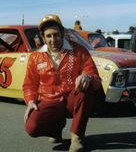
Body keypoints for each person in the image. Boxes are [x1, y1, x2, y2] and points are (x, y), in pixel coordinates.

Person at [23, 14, 101, 152]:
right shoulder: (35, 57)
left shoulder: (79, 50)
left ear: (62, 33)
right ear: (43, 37)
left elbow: (95, 77)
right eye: (49, 36)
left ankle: (77, 137)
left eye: (56, 35)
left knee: (86, 90)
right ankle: (55, 129)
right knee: (32, 127)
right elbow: (29, 84)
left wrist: (87, 77)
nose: (53, 40)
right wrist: (30, 101)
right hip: (49, 100)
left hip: (72, 98)